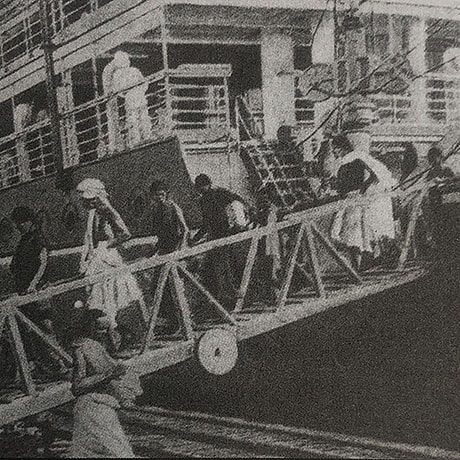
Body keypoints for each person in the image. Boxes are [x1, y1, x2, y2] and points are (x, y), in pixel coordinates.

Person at [76, 178, 145, 351]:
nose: (88, 202)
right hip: (96, 259)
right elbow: (90, 238)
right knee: (97, 302)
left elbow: (125, 234)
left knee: (107, 300)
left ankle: (116, 340)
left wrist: (106, 245)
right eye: (86, 199)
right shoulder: (92, 213)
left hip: (107, 258)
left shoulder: (107, 210)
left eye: (91, 198)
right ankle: (110, 342)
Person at [69, 307, 139, 458]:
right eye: (100, 329)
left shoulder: (101, 346)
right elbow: (77, 386)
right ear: (90, 328)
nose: (105, 334)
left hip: (104, 407)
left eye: (107, 329)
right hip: (92, 408)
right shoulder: (82, 348)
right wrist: (110, 374)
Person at [330, 134, 396, 269]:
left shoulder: (352, 159)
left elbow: (365, 178)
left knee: (352, 236)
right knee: (346, 235)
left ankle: (358, 267)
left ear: (341, 148)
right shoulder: (351, 160)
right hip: (351, 199)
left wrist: (364, 187)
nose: (334, 152)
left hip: (353, 199)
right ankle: (358, 266)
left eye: (335, 148)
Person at [192, 174, 250, 310]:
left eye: (203, 186)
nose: (201, 190)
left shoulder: (219, 193)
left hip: (225, 231)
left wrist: (242, 215)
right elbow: (206, 222)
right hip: (214, 234)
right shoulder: (203, 201)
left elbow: (237, 199)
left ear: (208, 184)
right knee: (218, 264)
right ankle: (225, 294)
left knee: (225, 262)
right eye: (199, 188)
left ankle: (232, 291)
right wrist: (196, 238)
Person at [148, 180, 189, 335]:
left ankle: (180, 322)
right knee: (156, 288)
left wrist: (179, 251)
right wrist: (153, 251)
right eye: (156, 195)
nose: (159, 197)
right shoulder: (156, 210)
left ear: (166, 194)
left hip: (174, 251)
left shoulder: (173, 207)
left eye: (161, 194)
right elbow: (161, 236)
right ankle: (170, 321)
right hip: (164, 251)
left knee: (174, 288)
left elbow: (185, 230)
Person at [110, 51, 151, 148]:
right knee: (135, 119)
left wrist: (137, 91)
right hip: (133, 96)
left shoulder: (133, 71)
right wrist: (130, 92)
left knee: (141, 118)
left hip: (136, 95)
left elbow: (144, 83)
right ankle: (140, 139)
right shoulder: (119, 74)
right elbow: (118, 90)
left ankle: (144, 137)